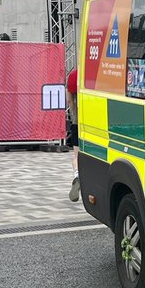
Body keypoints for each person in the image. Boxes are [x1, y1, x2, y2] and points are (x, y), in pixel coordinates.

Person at [67, 68, 80, 202]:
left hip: (78, 121)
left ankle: (77, 175)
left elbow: (70, 100)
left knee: (76, 154)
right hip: (95, 121)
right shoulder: (94, 72)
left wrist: (74, 114)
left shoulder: (74, 75)